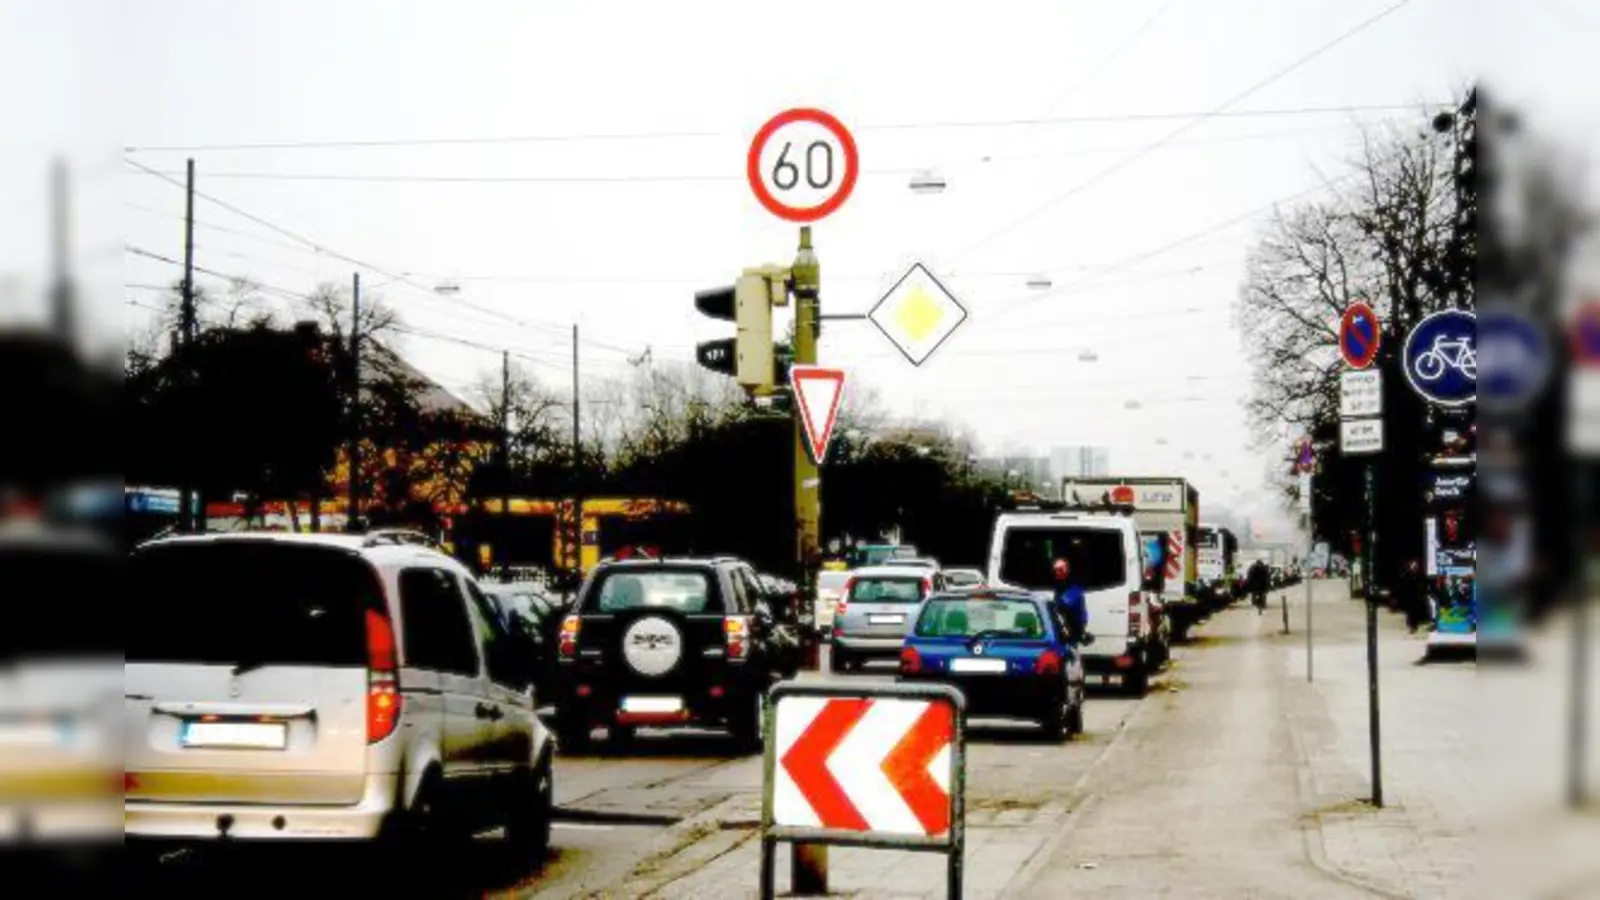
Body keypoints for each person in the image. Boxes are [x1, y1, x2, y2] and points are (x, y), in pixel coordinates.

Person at [1051, 558, 1089, 645]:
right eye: (1056, 570)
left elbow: (1062, 605)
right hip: (1064, 630)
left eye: (1060, 570)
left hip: (1072, 630)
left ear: (1066, 570)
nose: (1057, 573)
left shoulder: (1074, 587)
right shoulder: (1059, 586)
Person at [1400, 559, 1430, 633]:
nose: (1414, 567)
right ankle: (1412, 625)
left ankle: (1414, 625)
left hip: (1417, 596)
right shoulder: (1406, 575)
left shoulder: (1419, 575)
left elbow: (1423, 585)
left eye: (1415, 566)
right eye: (1413, 566)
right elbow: (1403, 585)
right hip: (1410, 596)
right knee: (1410, 612)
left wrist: (1423, 592)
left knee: (1415, 611)